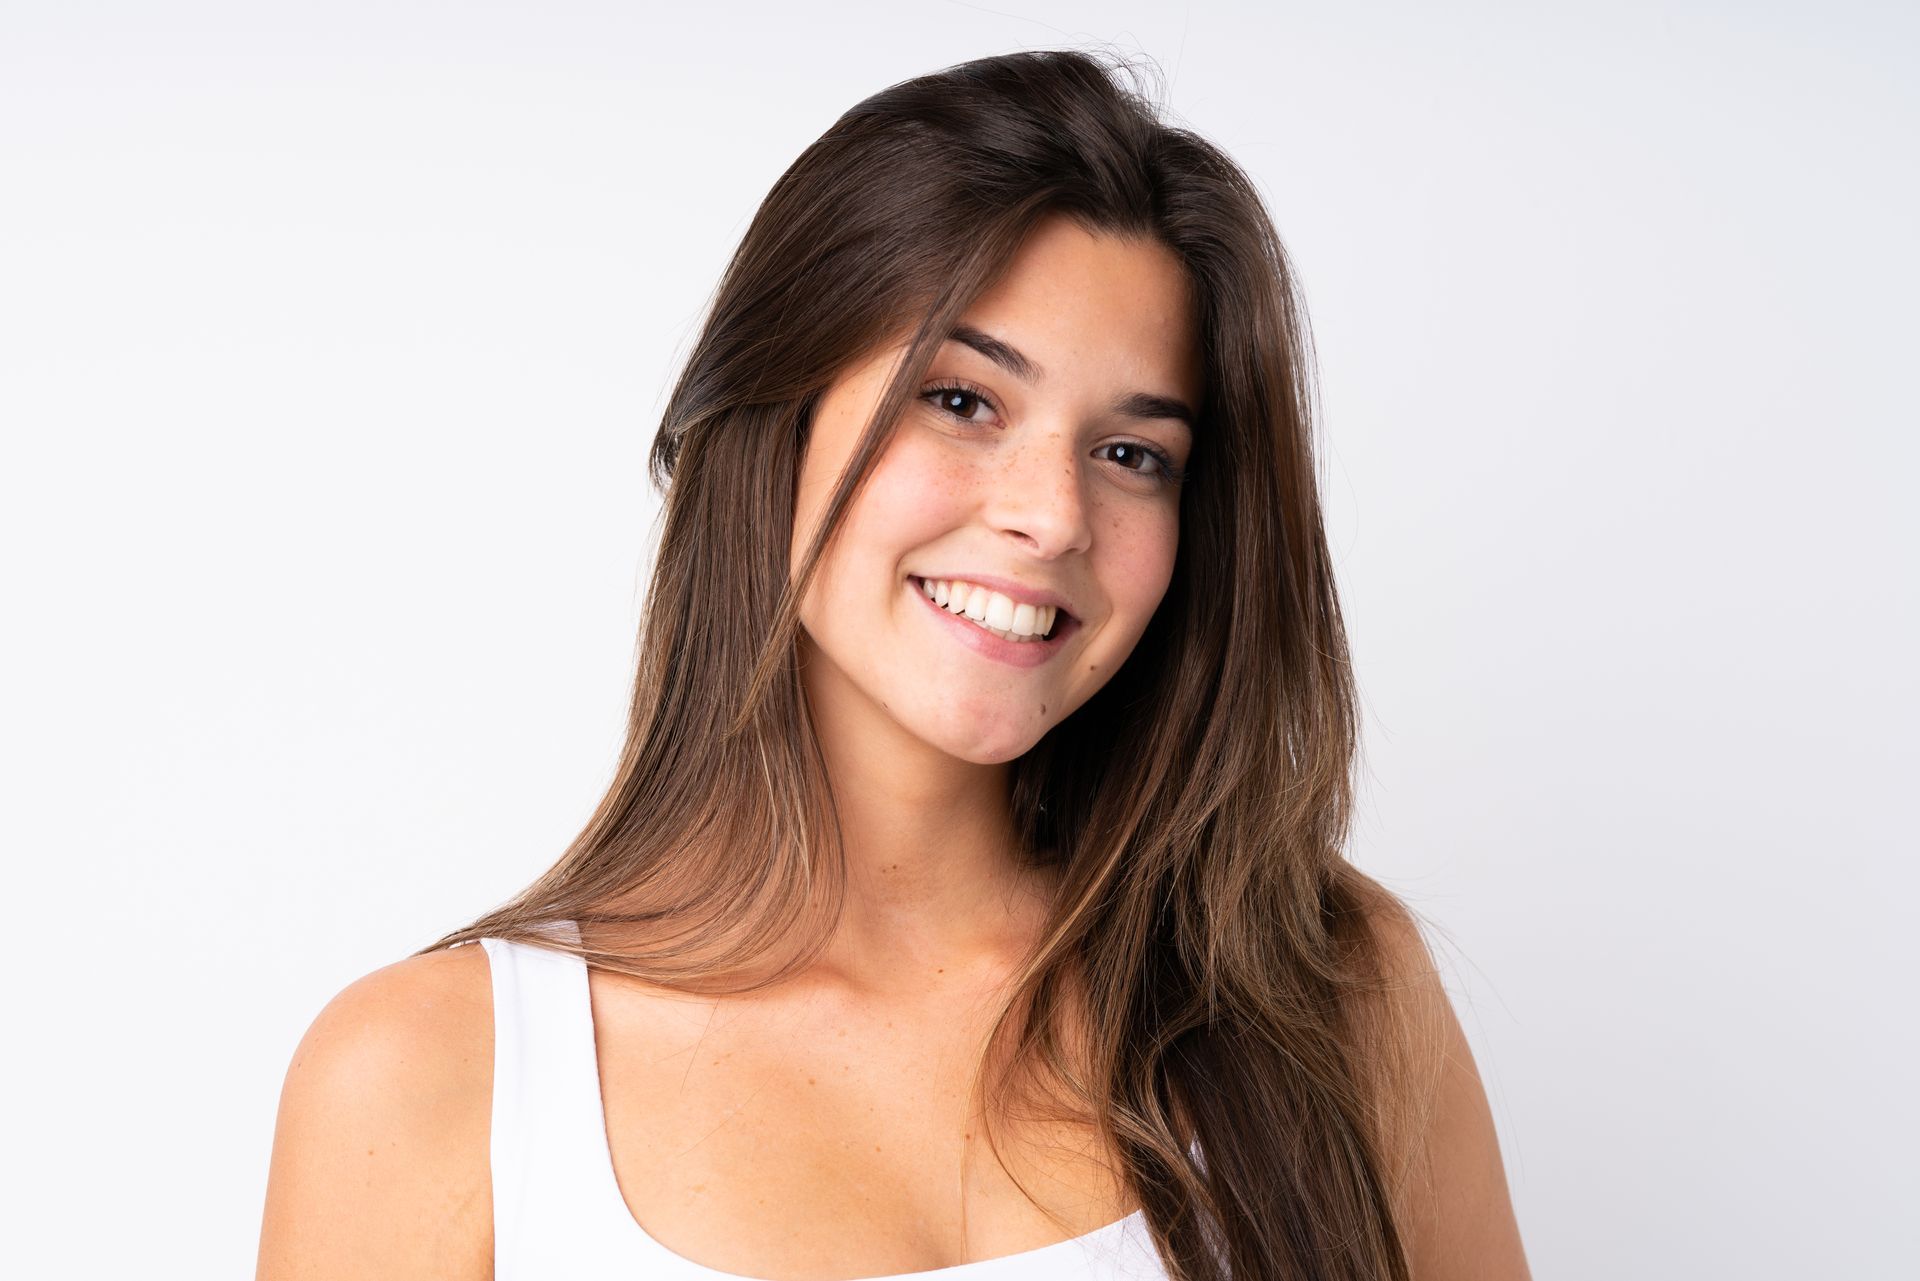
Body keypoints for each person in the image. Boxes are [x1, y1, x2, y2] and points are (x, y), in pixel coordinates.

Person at [256, 48, 1531, 1281]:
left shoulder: (1322, 986)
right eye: (963, 399)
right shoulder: (432, 1078)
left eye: (1134, 453)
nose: (1053, 516)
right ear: (776, 412)